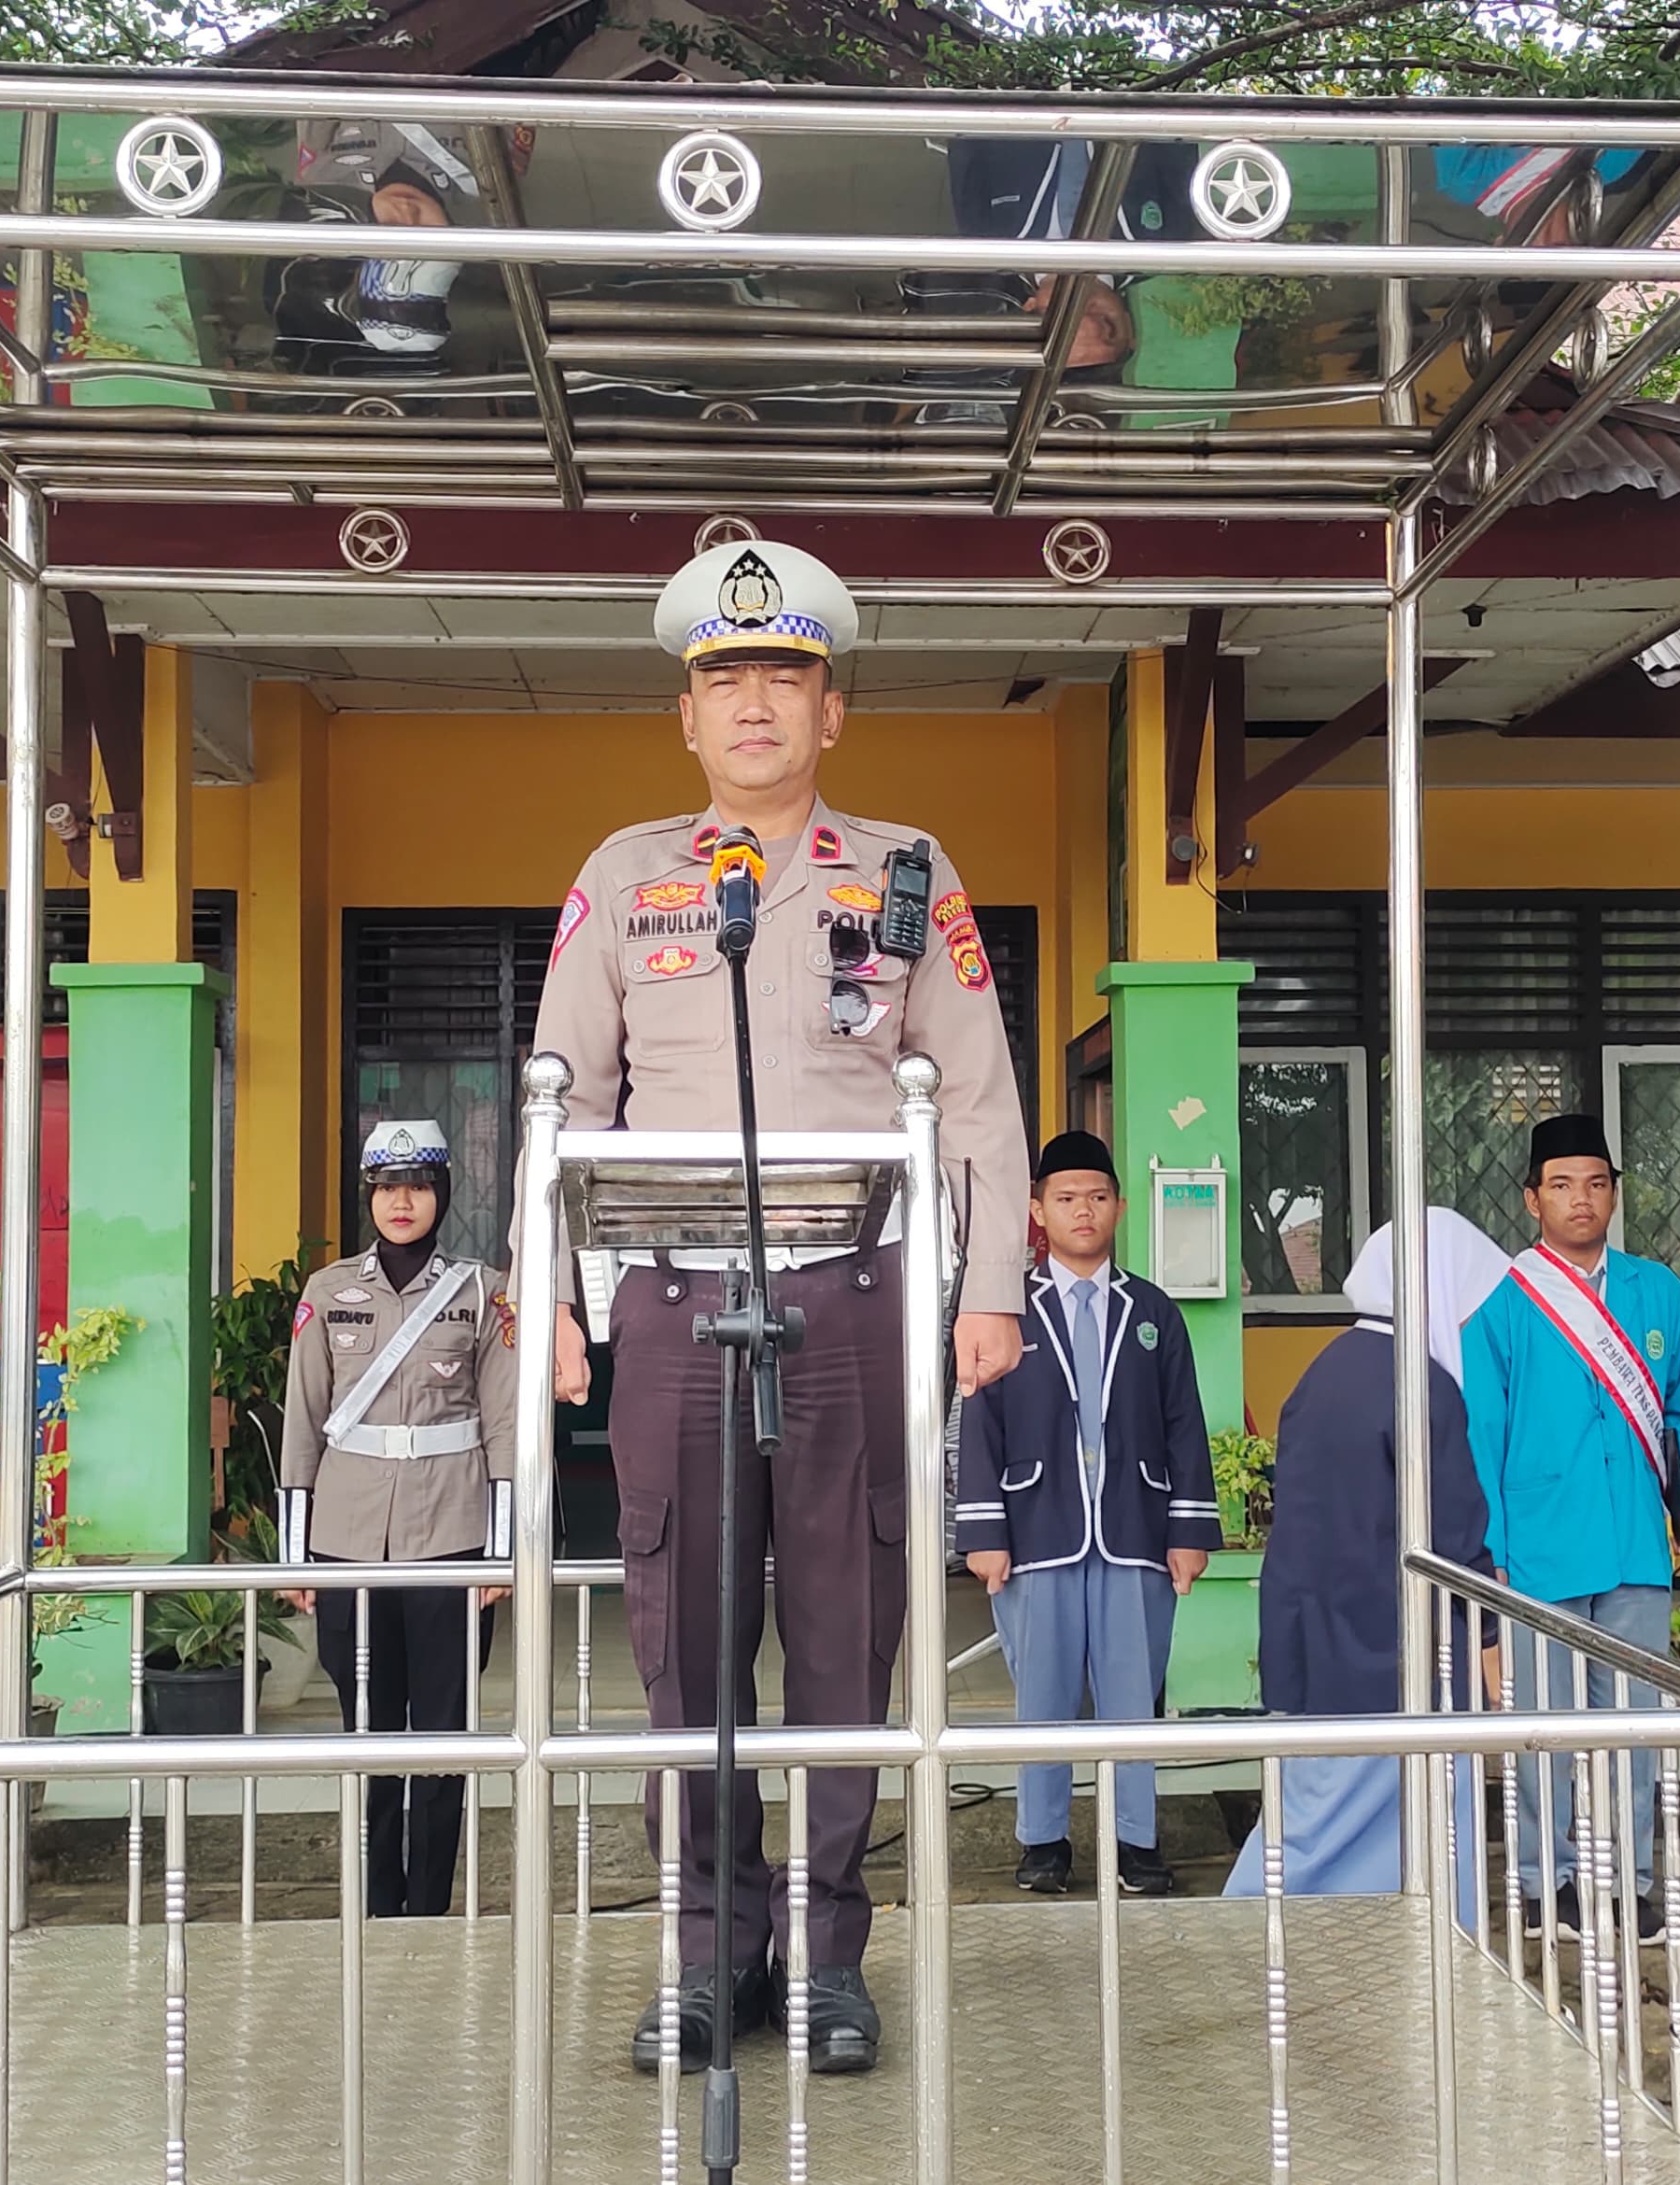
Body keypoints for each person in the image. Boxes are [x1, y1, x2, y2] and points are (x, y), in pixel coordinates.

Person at [530, 535, 1031, 2076]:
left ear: (832, 713)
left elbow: (976, 1103)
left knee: (843, 1630)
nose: (754, 703)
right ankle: (700, 1954)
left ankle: (823, 1955)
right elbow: (563, 1097)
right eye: (724, 678)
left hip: (854, 1302)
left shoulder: (904, 873)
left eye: (786, 676)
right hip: (675, 1305)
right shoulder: (625, 876)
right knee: (683, 1640)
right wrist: (549, 1289)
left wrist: (987, 1286)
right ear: (687, 716)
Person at [1457, 1111, 1680, 1940]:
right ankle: (1543, 1882)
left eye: (1596, 1185)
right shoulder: (1499, 1299)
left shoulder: (1658, 1293)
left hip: (1637, 1544)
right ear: (1532, 1199)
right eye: (1562, 1186)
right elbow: (1480, 1431)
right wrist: (1489, 1549)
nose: (1581, 1201)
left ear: (1614, 1194)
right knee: (1548, 1732)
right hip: (1538, 1546)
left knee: (1636, 1726)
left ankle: (1632, 1881)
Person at [954, 1131, 1220, 1899]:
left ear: (1120, 1208)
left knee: (1134, 1696)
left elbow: (1184, 1425)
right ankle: (1043, 1842)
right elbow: (979, 1423)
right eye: (1066, 1198)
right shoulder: (1008, 1310)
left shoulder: (1152, 1312)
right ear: (1037, 1210)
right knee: (1041, 1695)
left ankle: (1136, 1841)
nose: (1083, 1211)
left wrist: (1191, 1530)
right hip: (1037, 1530)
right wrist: (982, 1532)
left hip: (1136, 1530)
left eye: (1097, 1198)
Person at [1221, 1212, 1507, 1920]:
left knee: (1311, 1807)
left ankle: (1250, 1934)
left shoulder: (1324, 1371)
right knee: (1416, 1814)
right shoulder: (1422, 1385)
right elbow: (1455, 1535)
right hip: (1396, 1646)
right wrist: (1490, 1644)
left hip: (1314, 1632)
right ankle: (1429, 1953)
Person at [279, 1120, 520, 1919]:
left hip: (452, 1532)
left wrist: (503, 1550)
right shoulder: (328, 1292)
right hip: (348, 1539)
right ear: (370, 1198)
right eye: (387, 1188)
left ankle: (430, 1907)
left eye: (417, 1186)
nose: (402, 1202)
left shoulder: (484, 1292)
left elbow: (506, 1424)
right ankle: (377, 1903)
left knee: (444, 1736)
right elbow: (302, 1419)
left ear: (442, 1195)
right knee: (370, 1731)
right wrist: (294, 1554)